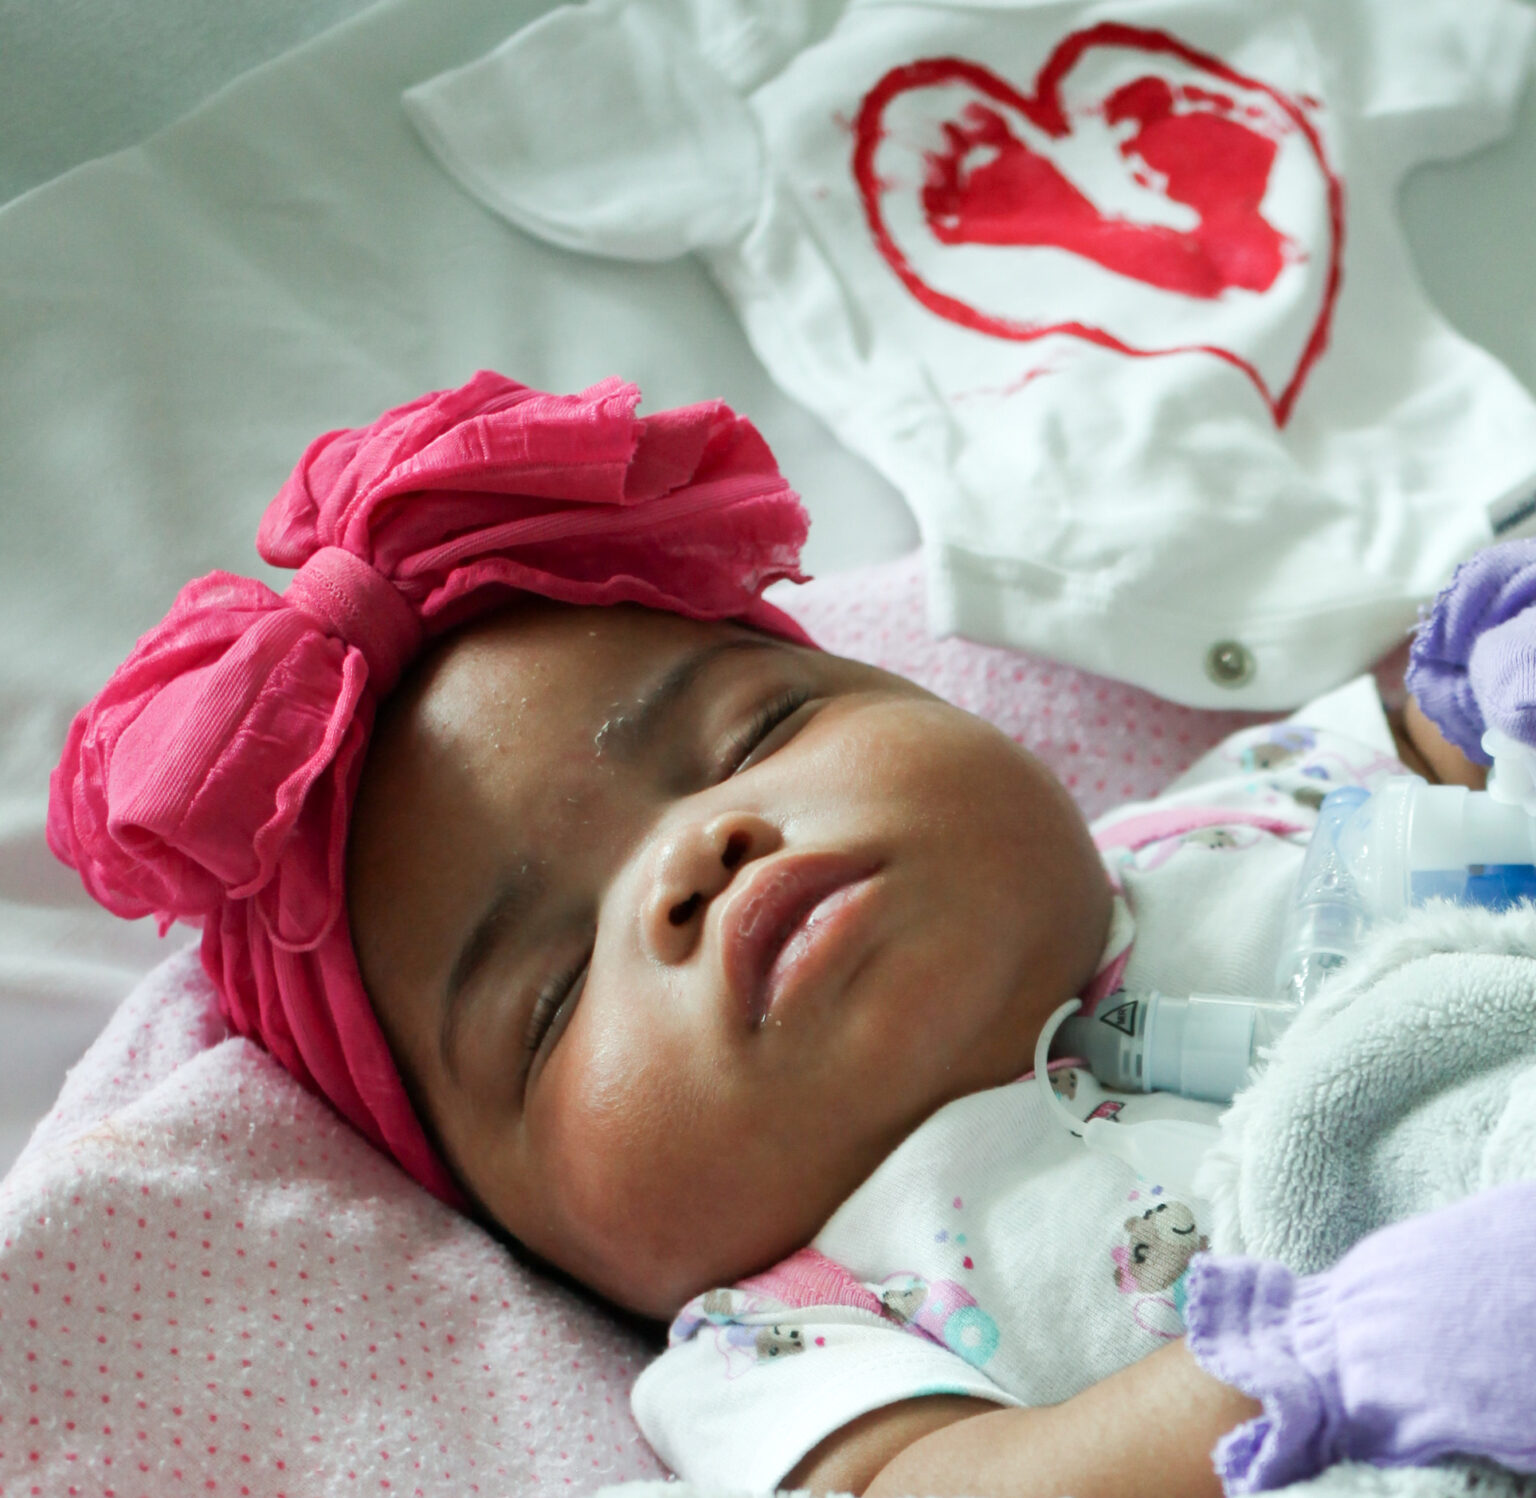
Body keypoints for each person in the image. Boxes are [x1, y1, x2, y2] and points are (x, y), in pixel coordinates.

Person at [47, 372, 1536, 1498]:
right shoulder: (785, 1342)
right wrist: (1317, 1372)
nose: (688, 860)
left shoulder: (1221, 813)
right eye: (552, 996)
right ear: (540, 1244)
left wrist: (1482, 681)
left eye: (751, 734)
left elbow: (1448, 745)